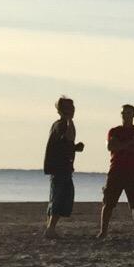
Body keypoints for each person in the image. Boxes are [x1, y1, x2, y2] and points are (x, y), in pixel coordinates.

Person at [98, 103, 134, 240]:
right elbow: (110, 146)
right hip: (116, 171)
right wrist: (128, 144)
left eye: (129, 113)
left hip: (133, 172)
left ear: (133, 115)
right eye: (124, 113)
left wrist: (121, 146)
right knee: (108, 203)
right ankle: (103, 232)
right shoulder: (114, 131)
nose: (126, 116)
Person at [42, 96, 84, 237]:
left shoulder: (61, 124)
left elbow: (64, 144)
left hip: (62, 167)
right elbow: (67, 139)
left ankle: (50, 228)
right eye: (69, 108)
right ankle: (50, 228)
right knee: (59, 197)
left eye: (72, 108)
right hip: (59, 168)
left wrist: (75, 147)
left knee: (60, 196)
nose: (72, 110)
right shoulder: (62, 124)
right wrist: (70, 121)